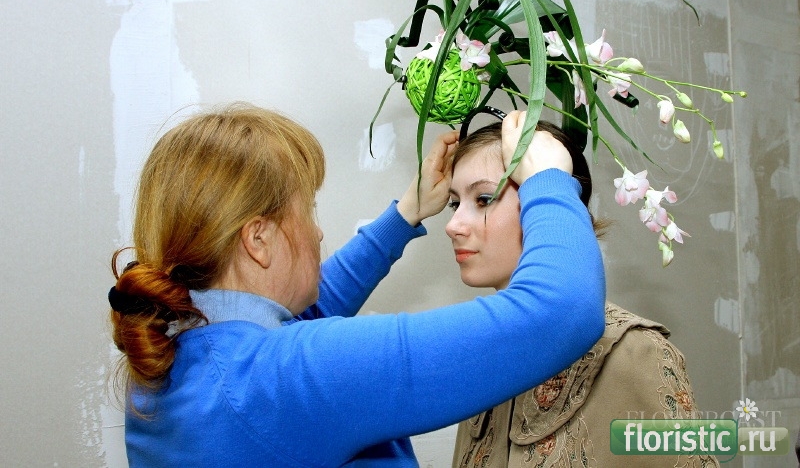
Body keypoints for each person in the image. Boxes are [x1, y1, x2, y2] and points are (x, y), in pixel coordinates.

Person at [108, 102, 606, 467]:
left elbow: (301, 319)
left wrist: (405, 214)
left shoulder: (170, 360)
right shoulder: (288, 377)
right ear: (258, 239)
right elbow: (560, 312)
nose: (318, 233)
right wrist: (548, 181)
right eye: (308, 211)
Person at [446, 118, 719, 467]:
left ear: (550, 198)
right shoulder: (485, 352)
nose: (453, 225)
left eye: (484, 199)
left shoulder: (633, 353)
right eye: (455, 204)